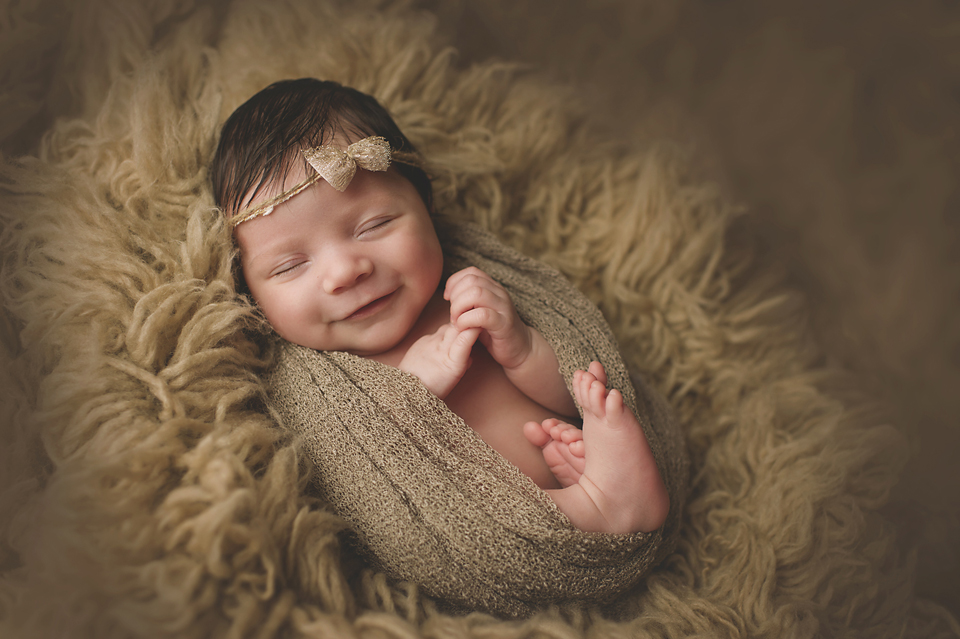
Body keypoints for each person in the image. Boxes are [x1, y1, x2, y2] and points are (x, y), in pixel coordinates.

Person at [211, 78, 669, 535]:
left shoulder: (465, 294)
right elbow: (370, 492)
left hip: (584, 460)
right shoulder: (317, 385)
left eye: (374, 224)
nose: (345, 272)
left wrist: (524, 348)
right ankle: (603, 510)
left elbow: (574, 382)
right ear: (248, 290)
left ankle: (608, 491)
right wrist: (408, 394)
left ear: (425, 203)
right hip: (493, 531)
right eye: (290, 266)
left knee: (601, 397)